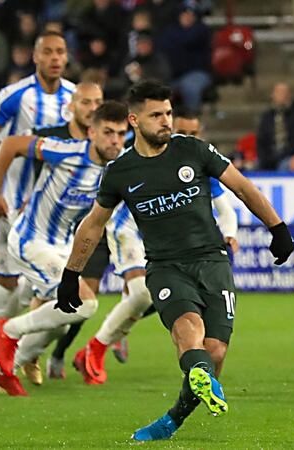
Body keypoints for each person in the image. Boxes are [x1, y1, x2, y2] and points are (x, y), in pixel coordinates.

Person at [48, 80, 293, 441]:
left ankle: (173, 418)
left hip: (212, 261)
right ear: (134, 120)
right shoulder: (121, 171)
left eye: (169, 113)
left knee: (215, 352)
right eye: (157, 115)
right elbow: (93, 225)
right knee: (187, 328)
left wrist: (278, 228)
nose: (166, 121)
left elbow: (243, 186)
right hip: (165, 267)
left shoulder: (193, 150)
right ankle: (183, 395)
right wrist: (72, 274)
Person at [69, 107, 241, 385]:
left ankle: (104, 342)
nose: (187, 137)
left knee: (154, 298)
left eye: (193, 133)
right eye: (183, 131)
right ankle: (98, 346)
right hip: (128, 230)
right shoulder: (141, 156)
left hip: (172, 242)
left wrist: (230, 233)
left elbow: (227, 209)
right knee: (140, 294)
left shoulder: (197, 160)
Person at [0, 101, 129, 396]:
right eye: (108, 132)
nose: (114, 140)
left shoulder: (121, 166)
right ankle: (8, 333)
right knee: (85, 303)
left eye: (121, 134)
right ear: (91, 132)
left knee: (60, 321)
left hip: (62, 248)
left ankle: (4, 366)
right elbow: (9, 144)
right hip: (30, 240)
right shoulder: (66, 151)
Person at [0, 31, 75, 392]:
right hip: (10, 201)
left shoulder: (76, 99)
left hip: (51, 208)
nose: (55, 58)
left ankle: (21, 350)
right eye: (48, 52)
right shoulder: (16, 96)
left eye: (60, 52)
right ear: (35, 57)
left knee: (51, 287)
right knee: (7, 280)